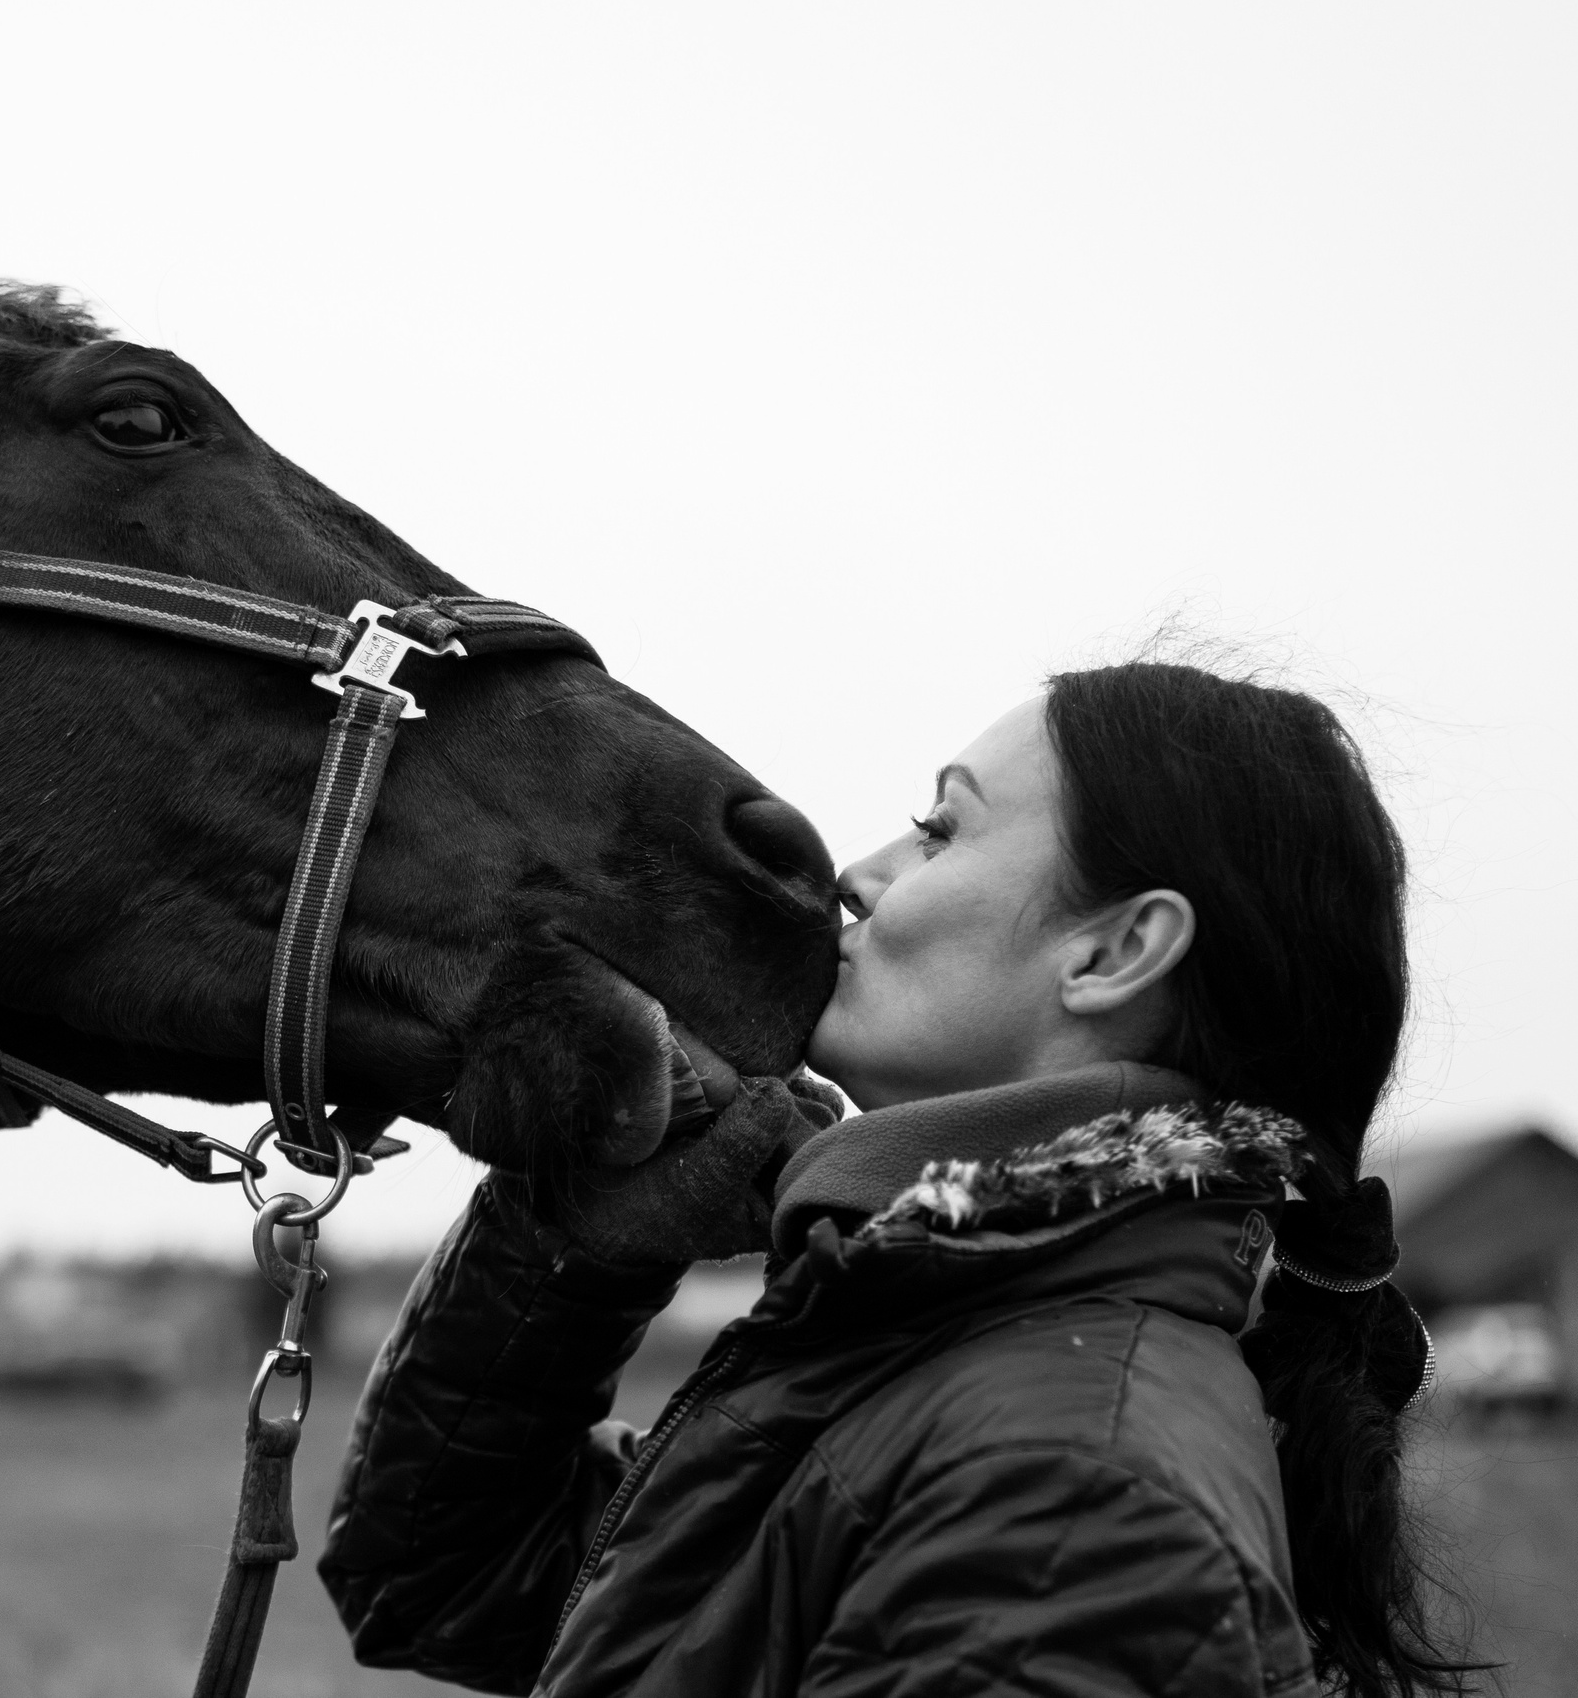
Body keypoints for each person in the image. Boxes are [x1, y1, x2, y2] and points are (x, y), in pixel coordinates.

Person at [318, 662, 1475, 1697]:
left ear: (1115, 953)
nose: (857, 876)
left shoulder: (1067, 1497)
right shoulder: (919, 1344)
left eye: (937, 830)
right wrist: (579, 1243)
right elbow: (442, 1587)